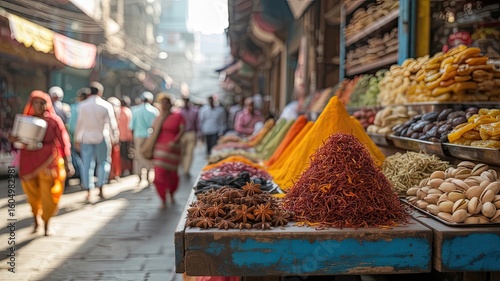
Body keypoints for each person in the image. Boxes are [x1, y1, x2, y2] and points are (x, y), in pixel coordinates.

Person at [9, 90, 74, 236]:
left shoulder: (54, 120)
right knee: (32, 195)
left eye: (42, 103)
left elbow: (63, 140)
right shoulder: (24, 120)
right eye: (35, 103)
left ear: (47, 104)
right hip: (28, 162)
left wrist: (68, 161)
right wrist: (13, 139)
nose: (39, 106)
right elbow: (16, 140)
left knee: (49, 195)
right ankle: (36, 219)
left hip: (48, 163)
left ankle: (46, 223)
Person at [74, 81, 119, 200]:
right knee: (103, 163)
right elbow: (112, 124)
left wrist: (76, 138)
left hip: (86, 138)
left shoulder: (82, 105)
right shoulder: (106, 105)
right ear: (100, 92)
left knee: (87, 164)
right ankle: (101, 187)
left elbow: (79, 124)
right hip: (102, 137)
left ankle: (89, 190)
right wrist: (115, 137)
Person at [152, 93, 185, 209]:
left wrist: (175, 141)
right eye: (162, 103)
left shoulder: (178, 116)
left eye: (166, 103)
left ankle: (171, 193)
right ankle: (163, 199)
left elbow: (182, 130)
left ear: (170, 104)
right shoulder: (159, 117)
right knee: (159, 174)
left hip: (173, 150)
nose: (164, 105)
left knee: (172, 175)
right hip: (160, 148)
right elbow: (153, 131)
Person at [129, 91, 159, 183]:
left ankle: (139, 174)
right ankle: (148, 175)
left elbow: (131, 126)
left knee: (138, 155)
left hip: (138, 136)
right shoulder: (154, 111)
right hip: (150, 136)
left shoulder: (135, 110)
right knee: (148, 155)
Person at [66, 87, 90, 181]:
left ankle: (82, 177)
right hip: (89, 137)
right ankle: (85, 180)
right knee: (87, 160)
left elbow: (71, 125)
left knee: (77, 157)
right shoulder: (89, 106)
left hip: (76, 136)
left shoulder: (76, 107)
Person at [179, 95, 198, 178]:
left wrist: (198, 135)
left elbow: (197, 123)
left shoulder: (194, 111)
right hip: (182, 134)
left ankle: (187, 170)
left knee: (189, 153)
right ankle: (184, 167)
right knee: (182, 153)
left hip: (191, 133)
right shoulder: (179, 112)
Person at [107, 97, 122, 181]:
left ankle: (112, 174)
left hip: (109, 138)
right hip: (111, 137)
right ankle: (113, 174)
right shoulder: (113, 112)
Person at [118, 96, 133, 176]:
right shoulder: (128, 111)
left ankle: (123, 170)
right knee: (128, 154)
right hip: (128, 136)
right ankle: (130, 169)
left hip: (120, 137)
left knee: (122, 155)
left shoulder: (119, 111)